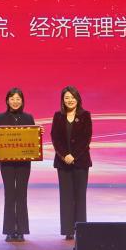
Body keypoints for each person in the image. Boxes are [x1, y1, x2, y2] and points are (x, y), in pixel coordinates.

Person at [50, 85, 92, 240]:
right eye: (66, 97)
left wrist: (73, 155)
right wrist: (64, 155)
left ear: (78, 99)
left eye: (72, 97)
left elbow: (86, 138)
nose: (70, 100)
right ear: (62, 100)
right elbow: (55, 138)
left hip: (81, 162)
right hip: (63, 163)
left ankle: (80, 229)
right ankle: (68, 230)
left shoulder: (85, 115)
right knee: (66, 196)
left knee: (80, 196)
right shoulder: (58, 116)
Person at [0, 87, 35, 242]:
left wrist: (38, 134)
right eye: (12, 99)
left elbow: (32, 139)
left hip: (24, 163)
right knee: (9, 194)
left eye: (18, 99)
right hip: (7, 164)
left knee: (22, 195)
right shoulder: (0, 118)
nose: (15, 102)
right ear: (7, 101)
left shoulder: (28, 118)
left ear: (22, 101)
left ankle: (22, 230)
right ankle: (10, 230)